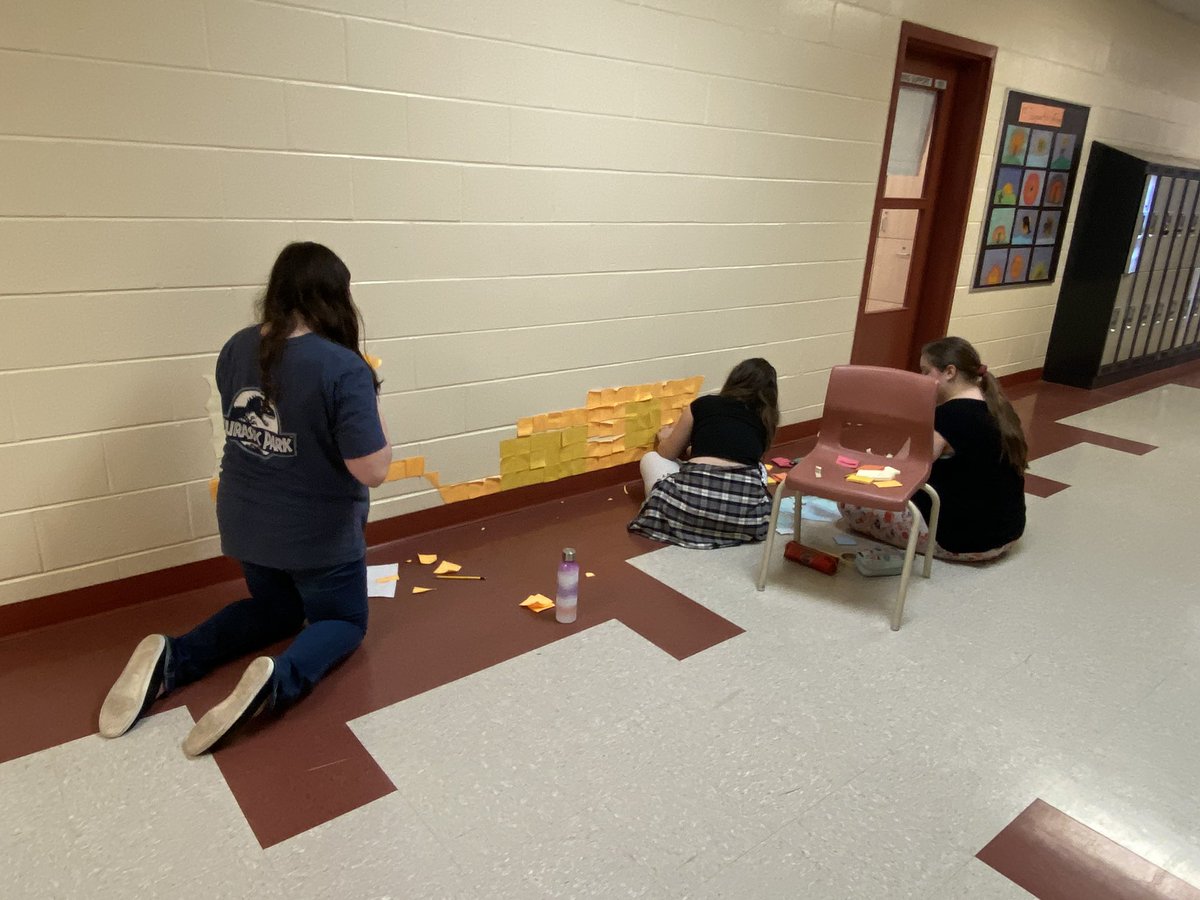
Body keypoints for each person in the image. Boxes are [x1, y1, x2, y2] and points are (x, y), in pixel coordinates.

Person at [98, 242, 393, 756]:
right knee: (342, 621)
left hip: (244, 522)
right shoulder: (343, 368)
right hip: (315, 536)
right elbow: (373, 470)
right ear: (336, 298)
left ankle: (174, 656)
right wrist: (373, 398)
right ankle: (278, 680)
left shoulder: (237, 346)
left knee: (276, 609)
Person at [840, 336, 1027, 561]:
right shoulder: (998, 408)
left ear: (949, 372)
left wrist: (867, 465)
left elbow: (901, 471)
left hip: (966, 540)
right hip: (1009, 531)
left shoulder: (947, 416)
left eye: (926, 372)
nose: (922, 379)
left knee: (849, 504)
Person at [629, 358, 779, 548]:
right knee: (758, 469)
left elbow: (667, 453)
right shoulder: (765, 420)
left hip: (690, 509)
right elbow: (739, 455)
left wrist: (666, 437)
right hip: (745, 520)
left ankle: (686, 516)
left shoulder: (703, 405)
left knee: (651, 459)